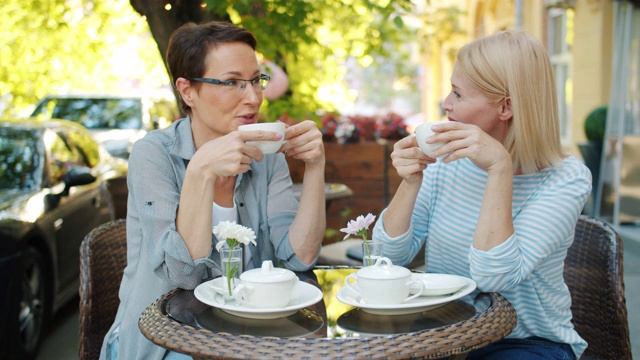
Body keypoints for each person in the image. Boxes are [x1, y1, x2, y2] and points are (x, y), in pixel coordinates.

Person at [100, 20, 326, 360]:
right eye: (232, 82)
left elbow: (299, 257)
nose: (253, 97)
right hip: (163, 342)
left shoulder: (266, 156)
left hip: (246, 340)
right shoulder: (154, 154)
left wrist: (315, 166)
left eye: (255, 81)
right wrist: (201, 170)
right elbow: (184, 276)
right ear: (188, 90)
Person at [372, 29, 590, 359]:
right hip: (441, 334)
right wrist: (411, 181)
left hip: (524, 343)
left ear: (506, 107)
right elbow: (385, 257)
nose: (445, 103)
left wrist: (499, 169)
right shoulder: (446, 161)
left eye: (458, 94)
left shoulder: (565, 180)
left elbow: (494, 275)